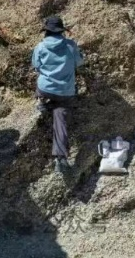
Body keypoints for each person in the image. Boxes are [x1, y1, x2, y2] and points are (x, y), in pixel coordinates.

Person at [32, 16, 84, 173]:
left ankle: (42, 102)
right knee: (60, 117)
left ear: (46, 32)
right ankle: (60, 158)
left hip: (45, 89)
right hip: (65, 93)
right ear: (62, 31)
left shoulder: (40, 47)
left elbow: (36, 66)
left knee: (42, 84)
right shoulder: (70, 45)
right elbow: (79, 62)